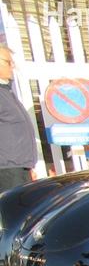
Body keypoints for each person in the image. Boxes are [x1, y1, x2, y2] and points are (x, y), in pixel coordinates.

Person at [0, 43, 37, 195]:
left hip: (18, 165)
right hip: (7, 168)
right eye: (8, 62)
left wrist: (27, 164)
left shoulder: (6, 90)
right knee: (13, 206)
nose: (13, 66)